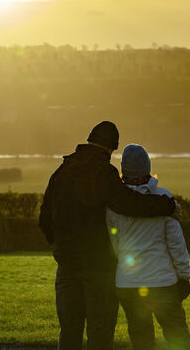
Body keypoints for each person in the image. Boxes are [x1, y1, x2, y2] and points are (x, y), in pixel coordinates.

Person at [39, 121, 179, 350]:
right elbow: (129, 204)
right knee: (100, 330)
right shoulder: (104, 172)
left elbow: (44, 219)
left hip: (66, 265)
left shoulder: (61, 172)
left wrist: (60, 246)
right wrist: (168, 205)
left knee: (70, 329)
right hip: (99, 268)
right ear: (111, 148)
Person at [107, 144, 190, 350]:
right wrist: (184, 275)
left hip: (128, 283)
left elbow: (114, 243)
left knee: (141, 338)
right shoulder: (163, 198)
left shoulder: (114, 204)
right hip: (163, 281)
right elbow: (176, 244)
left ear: (123, 169)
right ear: (148, 166)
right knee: (177, 335)